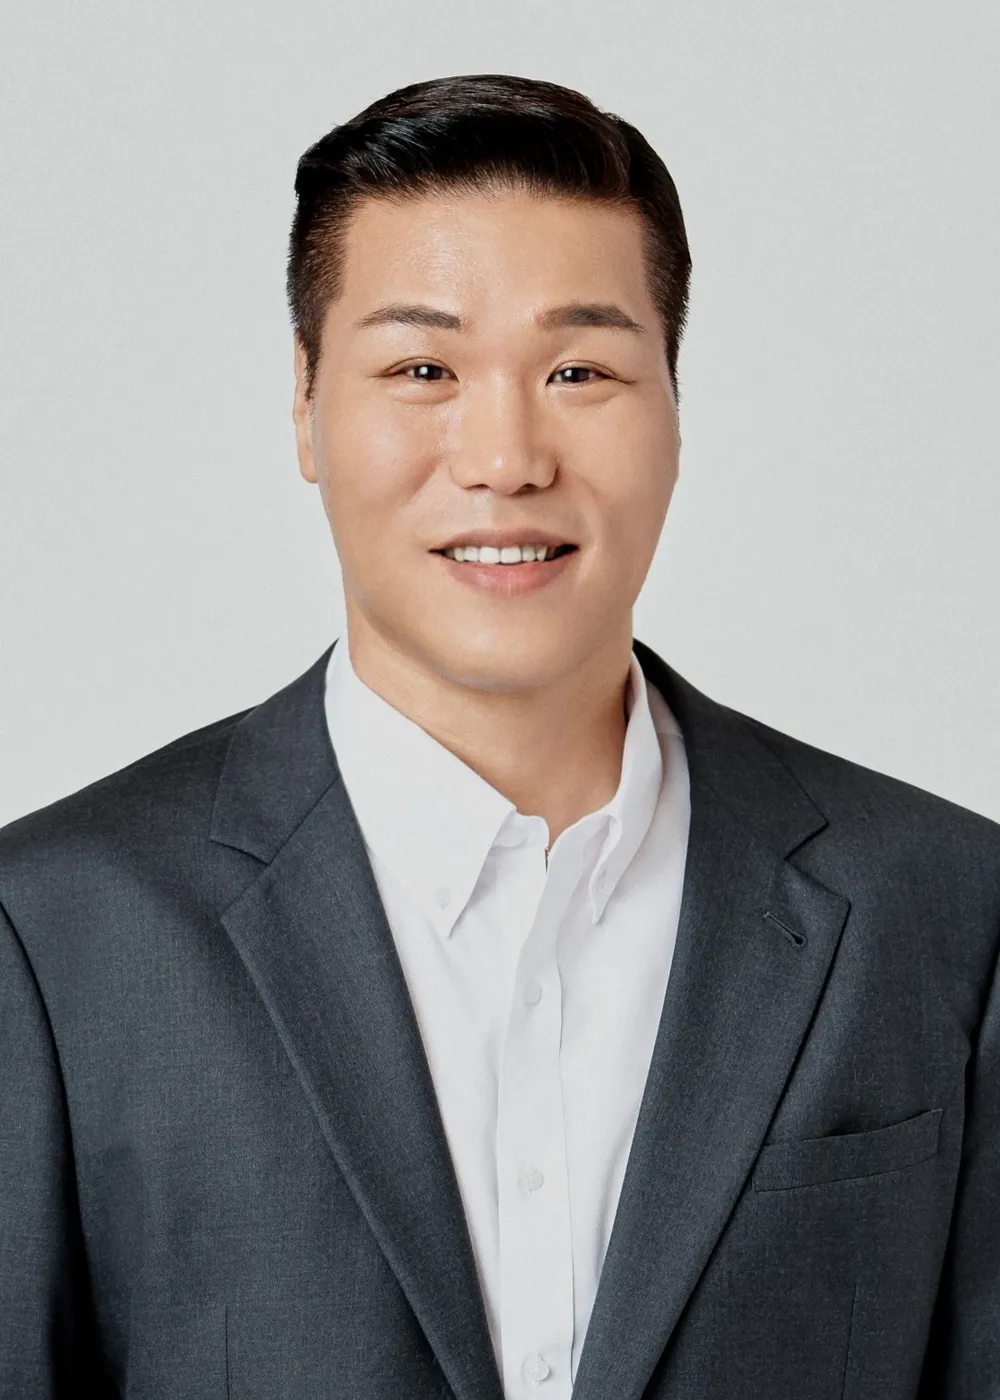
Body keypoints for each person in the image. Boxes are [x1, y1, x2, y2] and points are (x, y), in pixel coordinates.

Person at [0, 72, 997, 1400]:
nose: (507, 456)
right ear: (305, 405)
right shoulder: (55, 933)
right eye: (423, 369)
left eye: (580, 371)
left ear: (675, 406)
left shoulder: (944, 907)